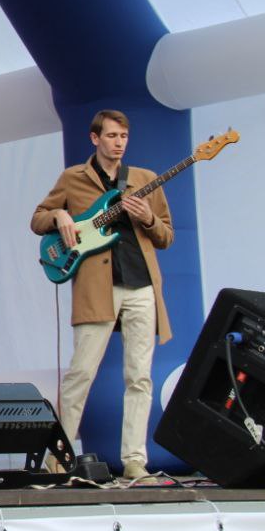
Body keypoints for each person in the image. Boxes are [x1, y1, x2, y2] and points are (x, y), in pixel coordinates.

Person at [31, 110, 174, 481]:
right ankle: (58, 458)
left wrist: (147, 218)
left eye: (123, 136)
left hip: (141, 285)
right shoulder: (73, 178)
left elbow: (166, 236)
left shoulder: (144, 179)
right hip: (97, 288)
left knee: (139, 377)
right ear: (95, 138)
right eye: (111, 135)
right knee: (81, 374)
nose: (119, 142)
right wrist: (59, 215)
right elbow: (37, 219)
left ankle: (135, 461)